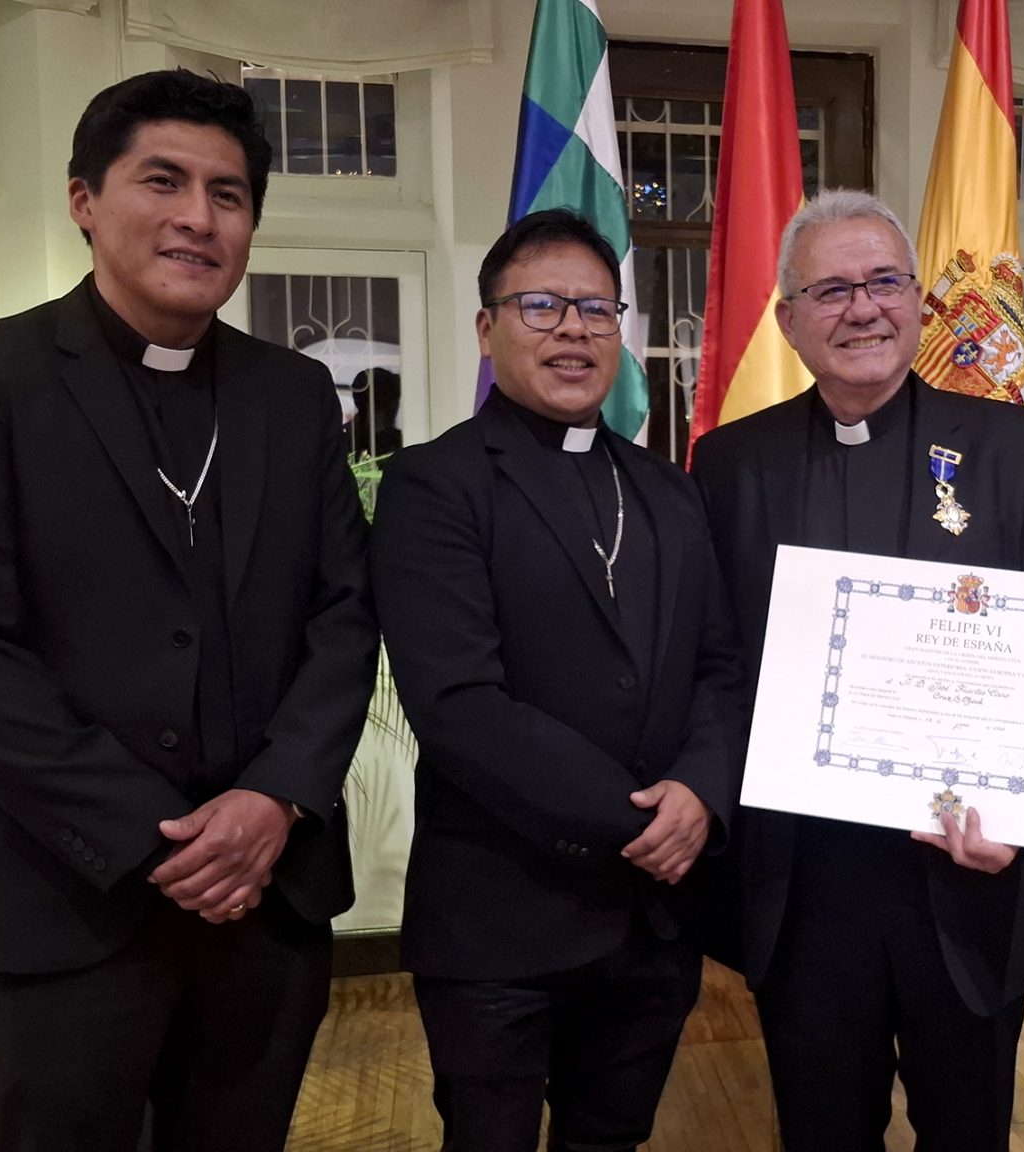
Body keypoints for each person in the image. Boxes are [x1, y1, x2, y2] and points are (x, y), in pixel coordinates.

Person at [0, 70, 378, 1152]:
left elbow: (344, 614)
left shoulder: (291, 394)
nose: (198, 216)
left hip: (267, 901)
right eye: (163, 181)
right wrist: (156, 841)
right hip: (62, 900)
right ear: (84, 200)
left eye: (228, 194)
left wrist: (275, 797)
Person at [691, 188, 1024, 1152]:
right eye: (830, 290)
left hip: (969, 872)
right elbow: (718, 658)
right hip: (805, 888)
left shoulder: (1017, 449)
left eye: (883, 282)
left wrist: (1020, 820)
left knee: (969, 1135)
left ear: (919, 301)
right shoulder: (731, 463)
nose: (862, 308)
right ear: (788, 320)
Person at [373, 208, 745, 1152]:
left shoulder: (669, 491)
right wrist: (646, 823)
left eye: (596, 308)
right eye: (541, 306)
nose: (573, 329)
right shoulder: (435, 485)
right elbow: (458, 705)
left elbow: (718, 667)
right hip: (501, 916)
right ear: (487, 327)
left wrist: (702, 792)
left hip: (653, 924)